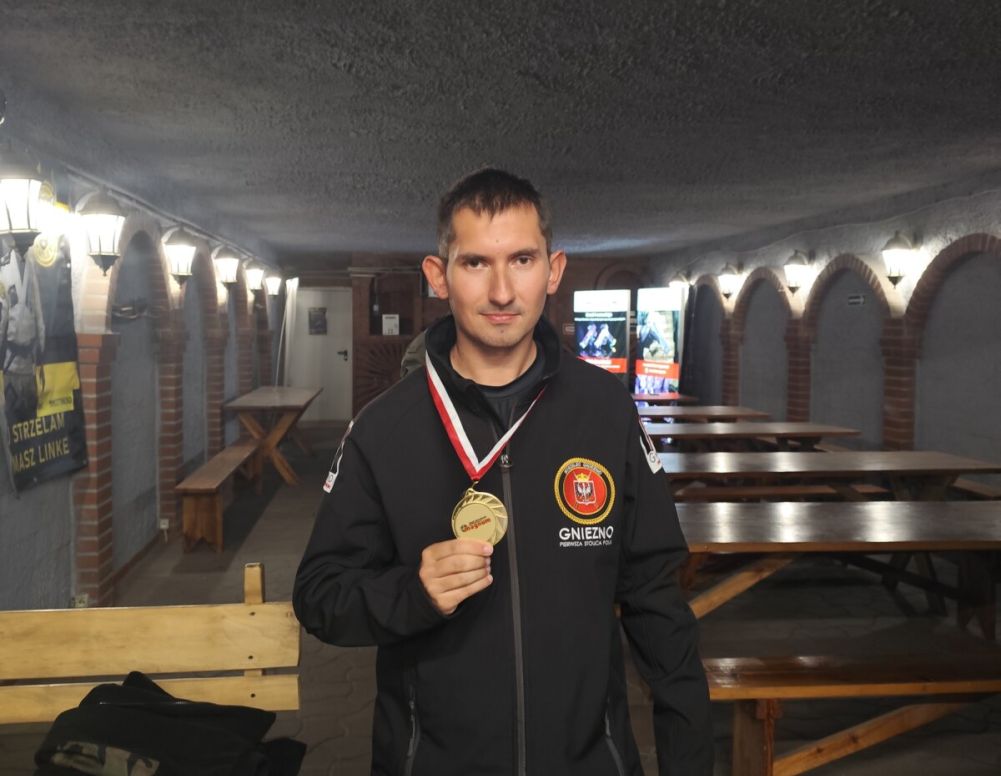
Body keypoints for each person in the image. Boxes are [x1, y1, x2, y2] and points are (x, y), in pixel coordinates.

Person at [293, 168, 713, 775]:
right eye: (475, 263)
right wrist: (411, 594)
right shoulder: (382, 429)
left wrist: (689, 763)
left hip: (589, 761)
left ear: (554, 270)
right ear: (438, 276)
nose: (501, 291)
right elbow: (319, 595)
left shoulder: (606, 411)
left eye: (521, 260)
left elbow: (658, 602)